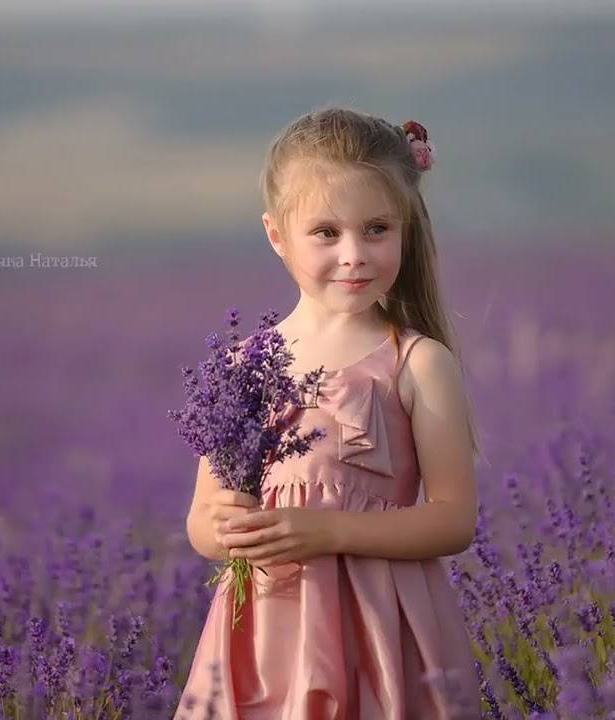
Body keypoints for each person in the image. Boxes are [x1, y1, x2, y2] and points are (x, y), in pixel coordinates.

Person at [177, 106, 482, 719]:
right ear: (276, 235)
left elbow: (454, 520)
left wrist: (329, 531)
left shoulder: (416, 363)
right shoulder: (243, 367)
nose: (354, 255)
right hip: (267, 635)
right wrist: (226, 531)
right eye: (325, 233)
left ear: (406, 230)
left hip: (381, 633)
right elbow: (202, 522)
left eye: (376, 229)